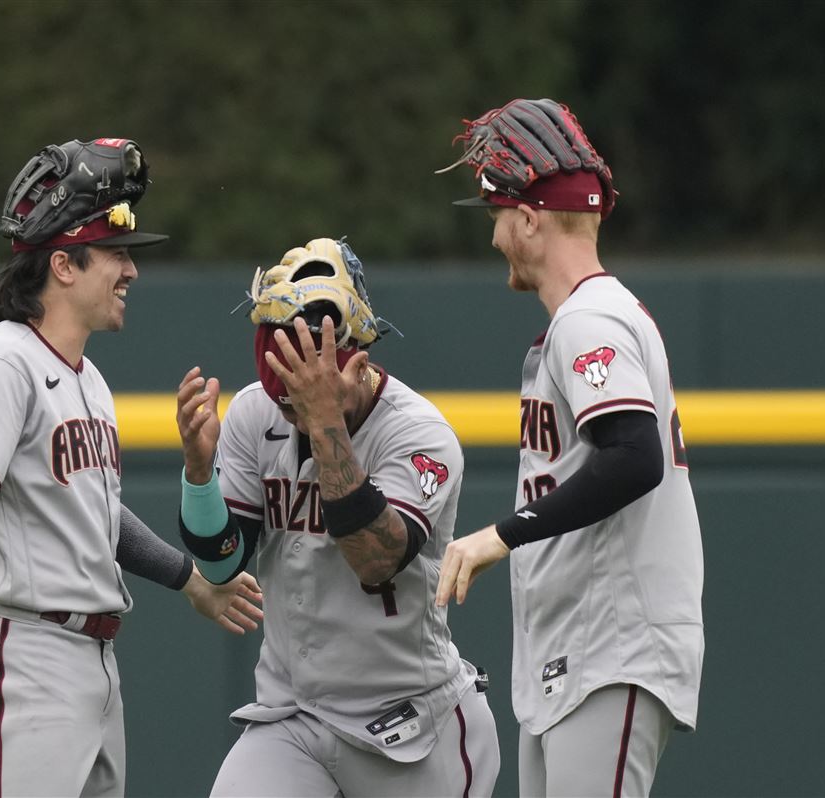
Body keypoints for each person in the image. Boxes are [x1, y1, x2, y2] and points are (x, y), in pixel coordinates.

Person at [0, 136, 263, 798]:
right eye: (115, 252)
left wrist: (190, 579)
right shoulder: (1, 364)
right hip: (28, 651)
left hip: (92, 660)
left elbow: (94, 515)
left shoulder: (88, 379)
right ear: (64, 266)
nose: (130, 272)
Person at [434, 99, 704, 796]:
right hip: (581, 652)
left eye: (497, 216)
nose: (495, 237)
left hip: (612, 648)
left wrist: (501, 535)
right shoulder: (591, 318)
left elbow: (633, 455)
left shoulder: (589, 320)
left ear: (528, 220)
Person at [175, 237, 500, 797]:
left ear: (360, 362)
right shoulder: (258, 410)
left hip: (411, 724)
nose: (295, 411)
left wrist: (324, 420)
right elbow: (224, 563)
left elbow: (375, 560)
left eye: (309, 396)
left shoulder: (420, 434)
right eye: (288, 402)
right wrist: (199, 475)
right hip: (294, 714)